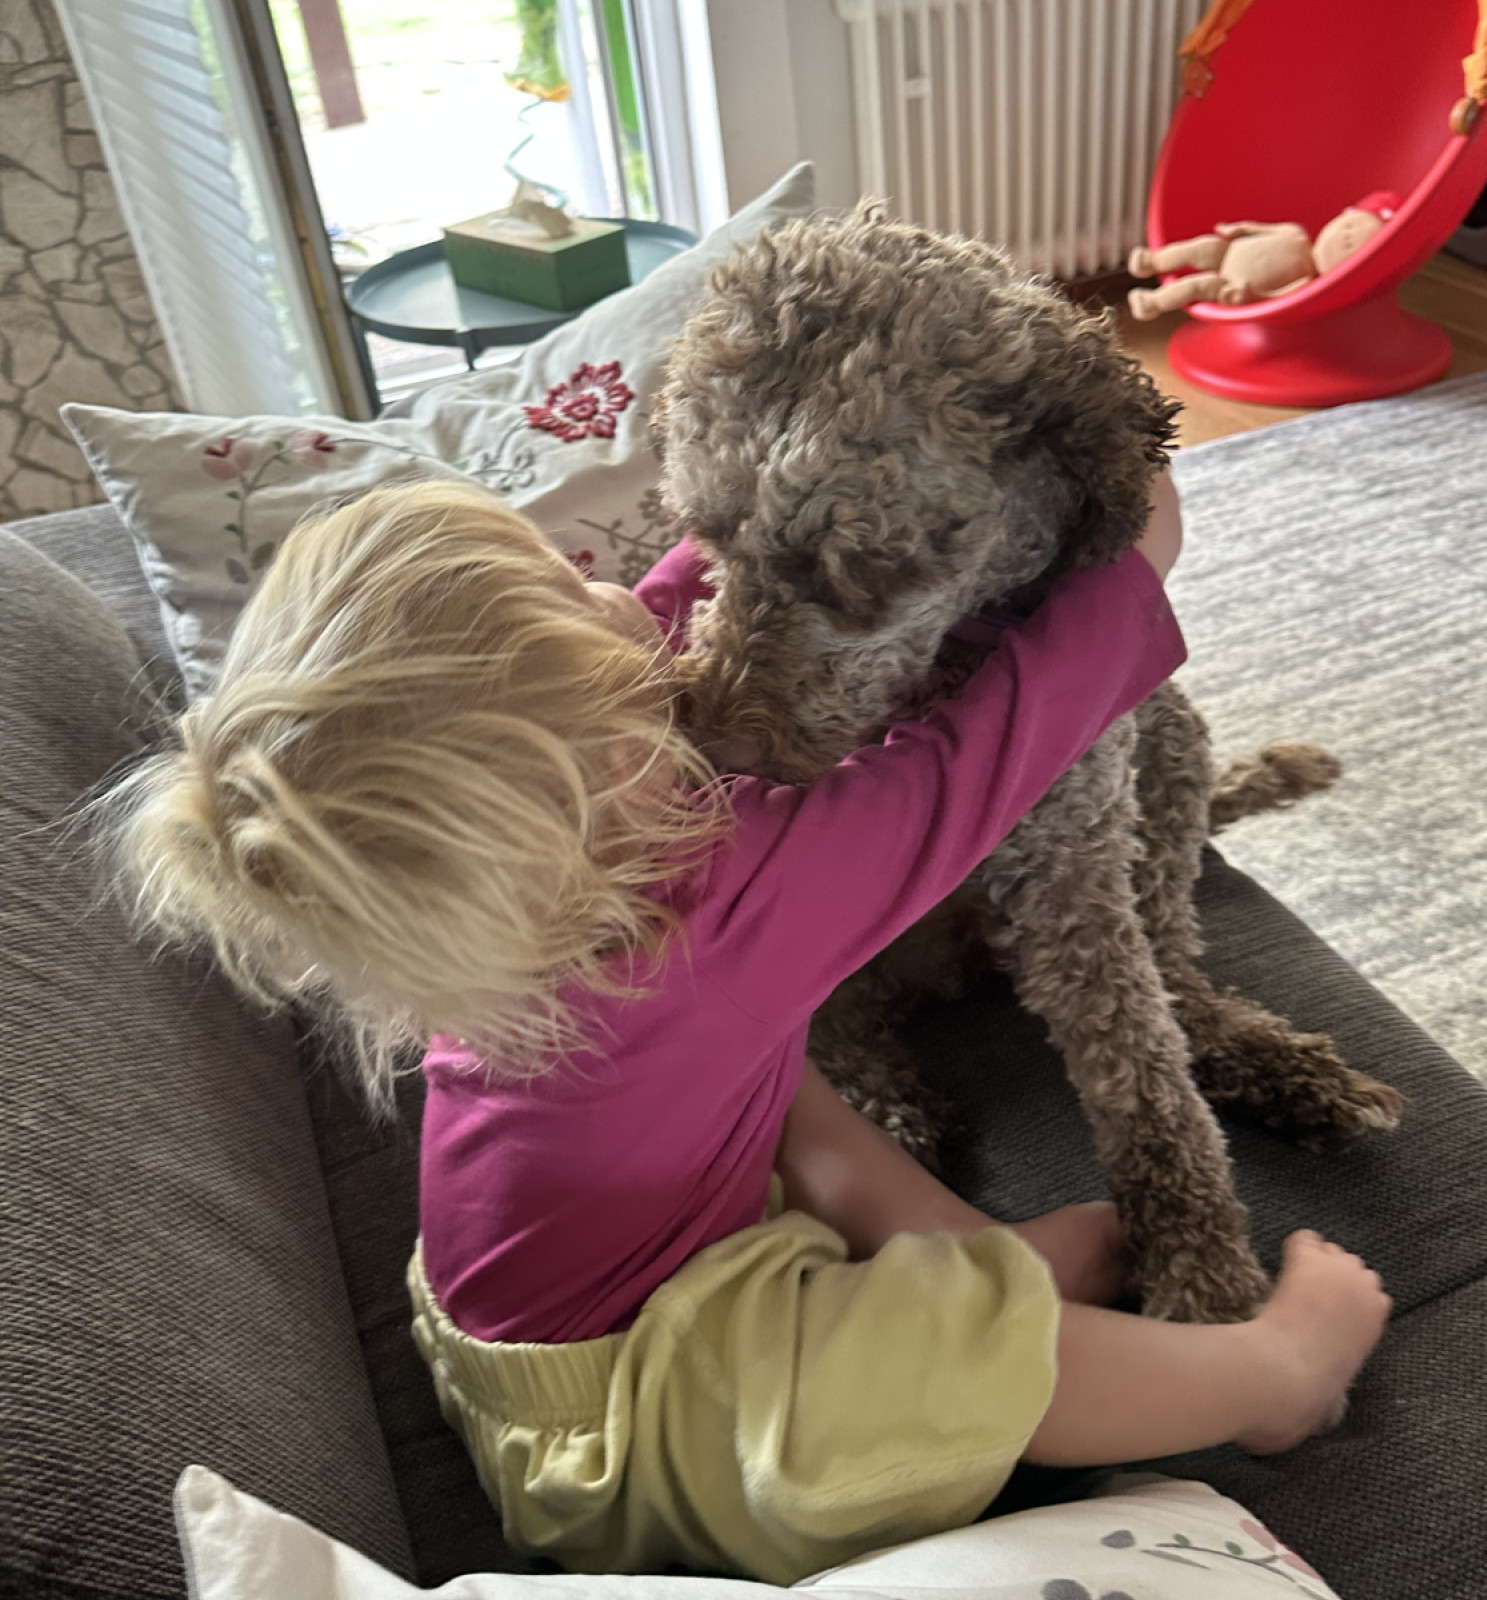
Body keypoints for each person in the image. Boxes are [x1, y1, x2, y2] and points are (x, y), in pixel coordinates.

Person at [102, 475, 1390, 1586]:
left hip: (563, 1323)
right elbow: (972, 771)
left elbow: (667, 630)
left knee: (788, 1091)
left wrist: (774, 501)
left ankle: (983, 1264)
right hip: (659, 1431)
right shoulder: (713, 915)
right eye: (570, 587)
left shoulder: (524, 895)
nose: (619, 587)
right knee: (941, 1369)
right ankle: (1266, 1380)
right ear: (597, 765)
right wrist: (1132, 568)